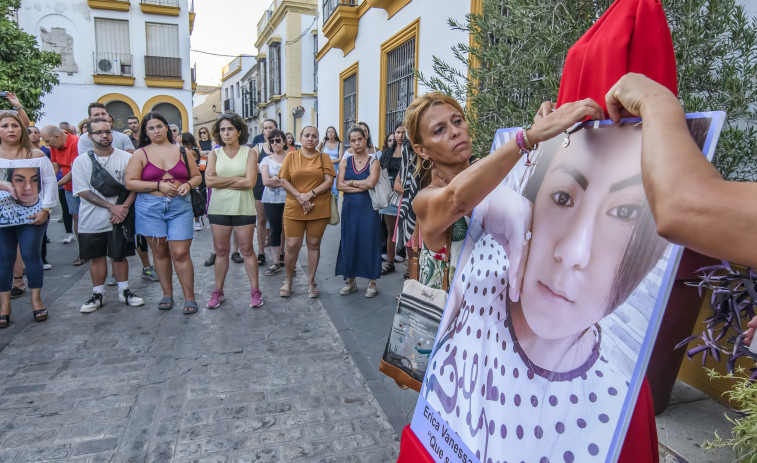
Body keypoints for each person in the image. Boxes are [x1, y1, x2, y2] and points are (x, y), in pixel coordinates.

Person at [124, 112, 202, 314]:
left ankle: (189, 297)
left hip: (180, 206)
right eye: (151, 128)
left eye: (159, 126)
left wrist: (187, 184)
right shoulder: (141, 154)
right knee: (159, 252)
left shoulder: (183, 151)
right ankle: (167, 294)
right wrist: (158, 185)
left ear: (167, 127)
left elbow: (196, 177)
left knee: (180, 252)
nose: (156, 131)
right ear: (146, 132)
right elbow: (130, 182)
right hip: (150, 207)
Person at [72, 118, 144, 313]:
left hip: (121, 216)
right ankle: (98, 293)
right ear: (89, 136)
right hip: (92, 217)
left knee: (119, 255)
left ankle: (124, 290)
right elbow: (83, 191)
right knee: (96, 257)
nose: (104, 135)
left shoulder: (126, 158)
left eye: (108, 131)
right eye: (99, 132)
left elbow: (134, 186)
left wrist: (124, 208)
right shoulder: (81, 161)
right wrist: (112, 208)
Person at [0, 111, 57, 328]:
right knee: (3, 260)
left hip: (33, 215)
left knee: (32, 256)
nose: (10, 130)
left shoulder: (35, 154)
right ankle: (4, 306)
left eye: (14, 125)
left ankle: (36, 299)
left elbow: (50, 183)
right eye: (4, 126)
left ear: (21, 129)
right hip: (2, 218)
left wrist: (46, 210)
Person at [204, 112, 263, 309]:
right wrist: (237, 179)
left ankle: (255, 291)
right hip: (219, 208)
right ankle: (218, 291)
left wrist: (222, 182)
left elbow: (250, 182)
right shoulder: (214, 153)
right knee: (221, 251)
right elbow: (209, 181)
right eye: (222, 130)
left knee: (247, 249)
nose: (226, 133)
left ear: (239, 131)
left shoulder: (250, 153)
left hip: (244, 207)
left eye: (230, 129)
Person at [277, 126, 335, 298]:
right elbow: (283, 180)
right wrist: (300, 197)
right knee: (292, 246)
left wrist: (310, 195)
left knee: (313, 244)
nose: (310, 139)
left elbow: (329, 181)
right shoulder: (291, 156)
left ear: (318, 140)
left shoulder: (323, 158)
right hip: (294, 207)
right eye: (307, 135)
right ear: (300, 138)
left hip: (318, 207)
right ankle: (288, 280)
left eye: (314, 136)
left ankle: (311, 281)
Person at [335, 126, 382, 297]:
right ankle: (351, 281)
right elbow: (339, 186)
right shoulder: (345, 161)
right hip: (349, 209)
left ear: (365, 139)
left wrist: (351, 183)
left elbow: (371, 183)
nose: (356, 143)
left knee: (369, 241)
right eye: (353, 140)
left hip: (368, 209)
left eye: (359, 139)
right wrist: (360, 185)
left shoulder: (373, 161)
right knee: (350, 241)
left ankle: (372, 282)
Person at [41, 124, 87, 265]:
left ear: (57, 136)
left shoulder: (75, 142)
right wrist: (46, 183)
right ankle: (83, 252)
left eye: (48, 141)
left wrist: (55, 185)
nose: (47, 145)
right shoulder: (55, 145)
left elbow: (75, 170)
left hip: (83, 186)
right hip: (68, 188)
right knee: (76, 218)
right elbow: (55, 167)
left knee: (88, 219)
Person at [377, 124, 405, 274]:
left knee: (408, 229)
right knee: (390, 230)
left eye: (403, 132)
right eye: (398, 132)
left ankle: (410, 268)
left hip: (406, 194)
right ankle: (390, 262)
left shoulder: (412, 152)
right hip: (390, 195)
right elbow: (380, 171)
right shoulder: (387, 152)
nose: (400, 135)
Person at [260, 129, 289, 276]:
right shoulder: (266, 160)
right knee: (275, 229)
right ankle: (276, 261)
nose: (275, 143)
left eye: (278, 140)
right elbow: (265, 181)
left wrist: (276, 179)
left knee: (290, 231)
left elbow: (294, 179)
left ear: (284, 141)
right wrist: (284, 181)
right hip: (271, 200)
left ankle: (289, 261)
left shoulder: (291, 157)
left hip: (289, 199)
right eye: (272, 141)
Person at [251, 118, 277, 265]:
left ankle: (279, 253)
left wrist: (263, 168)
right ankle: (261, 252)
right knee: (261, 220)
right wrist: (270, 170)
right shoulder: (258, 147)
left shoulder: (281, 147)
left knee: (277, 222)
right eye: (265, 128)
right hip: (260, 187)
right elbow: (252, 167)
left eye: (270, 127)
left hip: (277, 188)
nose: (268, 130)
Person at [28, 126, 52, 270]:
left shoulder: (41, 153)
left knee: (38, 234)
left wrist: (46, 207)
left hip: (37, 198)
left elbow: (49, 178)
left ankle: (41, 258)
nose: (34, 135)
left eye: (37, 133)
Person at [180, 132, 204, 232]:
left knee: (194, 199)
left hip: (193, 177)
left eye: (180, 137)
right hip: (189, 178)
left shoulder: (192, 151)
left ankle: (197, 220)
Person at [317, 126, 343, 198]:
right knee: (325, 186)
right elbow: (317, 151)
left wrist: (329, 161)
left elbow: (340, 158)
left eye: (332, 131)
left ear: (335, 134)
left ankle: (335, 205)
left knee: (335, 188)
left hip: (335, 167)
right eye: (329, 132)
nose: (330, 133)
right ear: (326, 134)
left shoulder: (339, 143)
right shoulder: (323, 142)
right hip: (325, 166)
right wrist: (322, 158)